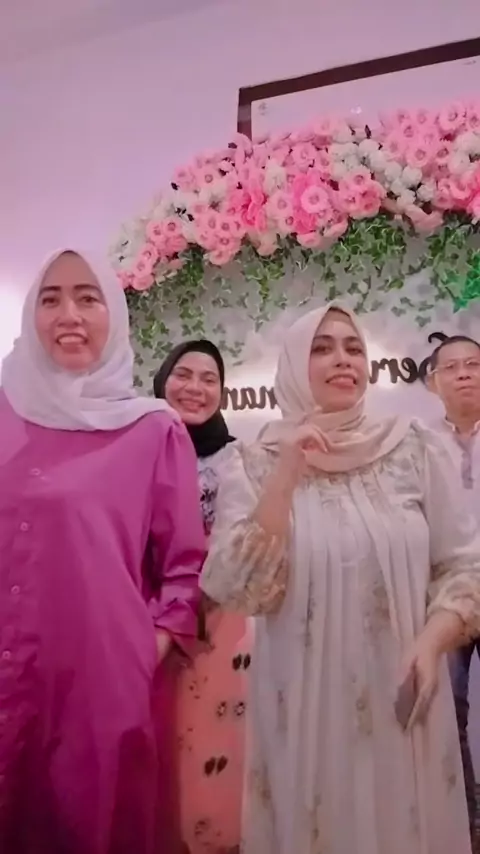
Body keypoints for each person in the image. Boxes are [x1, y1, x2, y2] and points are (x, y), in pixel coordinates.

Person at [200, 302, 480, 854]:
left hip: (404, 693)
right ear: (293, 365)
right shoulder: (253, 463)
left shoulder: (413, 448)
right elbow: (237, 586)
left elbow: (463, 565)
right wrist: (287, 473)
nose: (342, 359)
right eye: (321, 348)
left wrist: (432, 642)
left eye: (353, 348)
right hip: (306, 702)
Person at [0, 249, 206, 854]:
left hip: (98, 683)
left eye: (88, 298)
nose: (69, 314)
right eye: (51, 299)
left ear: (113, 313)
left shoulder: (151, 429)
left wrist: (143, 650)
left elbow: (183, 567)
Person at [154, 340, 248, 854]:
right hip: (150, 616)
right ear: (161, 380)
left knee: (216, 738)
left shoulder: (236, 458)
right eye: (183, 374)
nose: (195, 388)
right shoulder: (134, 449)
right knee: (161, 735)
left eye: (209, 379)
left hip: (222, 622)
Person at [426, 334, 480, 843]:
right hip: (445, 597)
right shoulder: (419, 447)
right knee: (449, 712)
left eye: (474, 364)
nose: (464, 374)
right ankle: (466, 822)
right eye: (452, 367)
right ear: (433, 382)